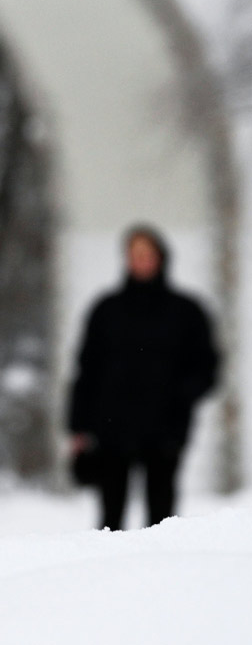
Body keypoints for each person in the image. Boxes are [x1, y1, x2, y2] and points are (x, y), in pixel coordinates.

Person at [68, 224, 218, 530]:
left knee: (161, 517)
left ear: (161, 258)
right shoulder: (106, 310)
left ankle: (161, 563)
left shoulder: (186, 312)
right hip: (111, 428)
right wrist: (78, 426)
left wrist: (181, 397)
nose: (142, 262)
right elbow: (86, 370)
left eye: (148, 255)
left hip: (165, 429)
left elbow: (207, 365)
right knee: (111, 518)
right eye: (135, 255)